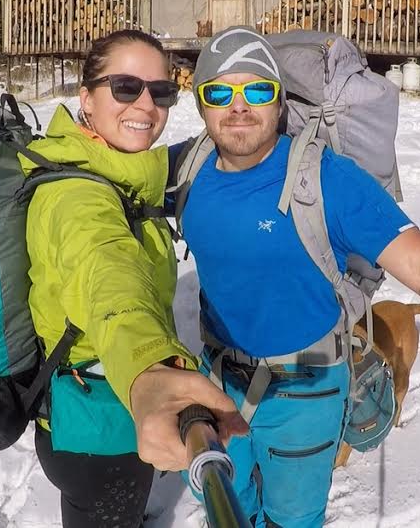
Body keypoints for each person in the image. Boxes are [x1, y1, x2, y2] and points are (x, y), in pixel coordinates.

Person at [158, 26, 420, 527]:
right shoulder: (185, 168)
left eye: (258, 89)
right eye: (220, 91)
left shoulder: (328, 180)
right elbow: (104, 184)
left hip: (305, 392)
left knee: (292, 519)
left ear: (281, 100)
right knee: (228, 508)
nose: (239, 106)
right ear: (201, 103)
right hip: (216, 383)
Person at [19, 29, 246, 528]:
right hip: (101, 429)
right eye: (125, 87)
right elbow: (109, 278)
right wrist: (151, 372)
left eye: (161, 91)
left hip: (83, 414)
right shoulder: (78, 198)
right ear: (86, 99)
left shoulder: (114, 170)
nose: (146, 103)